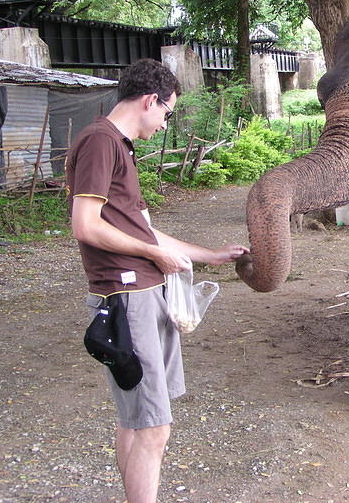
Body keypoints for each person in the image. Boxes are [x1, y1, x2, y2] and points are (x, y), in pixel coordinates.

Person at [65, 58, 248, 503]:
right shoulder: (99, 141)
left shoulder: (120, 146)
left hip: (146, 291)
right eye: (167, 113)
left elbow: (142, 228)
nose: (166, 123)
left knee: (136, 420)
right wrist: (152, 254)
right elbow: (84, 225)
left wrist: (209, 256)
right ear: (151, 100)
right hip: (127, 295)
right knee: (154, 426)